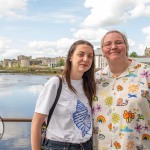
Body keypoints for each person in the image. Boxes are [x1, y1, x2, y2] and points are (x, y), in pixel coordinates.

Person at [31, 40, 96, 150]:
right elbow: (36, 123)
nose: (86, 59)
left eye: (90, 56)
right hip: (60, 146)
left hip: (86, 145)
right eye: (81, 54)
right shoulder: (56, 83)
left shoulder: (89, 85)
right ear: (70, 57)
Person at [92, 30, 150, 150]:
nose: (113, 47)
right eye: (108, 44)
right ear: (102, 50)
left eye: (118, 42)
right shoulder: (95, 79)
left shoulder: (145, 73)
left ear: (126, 47)